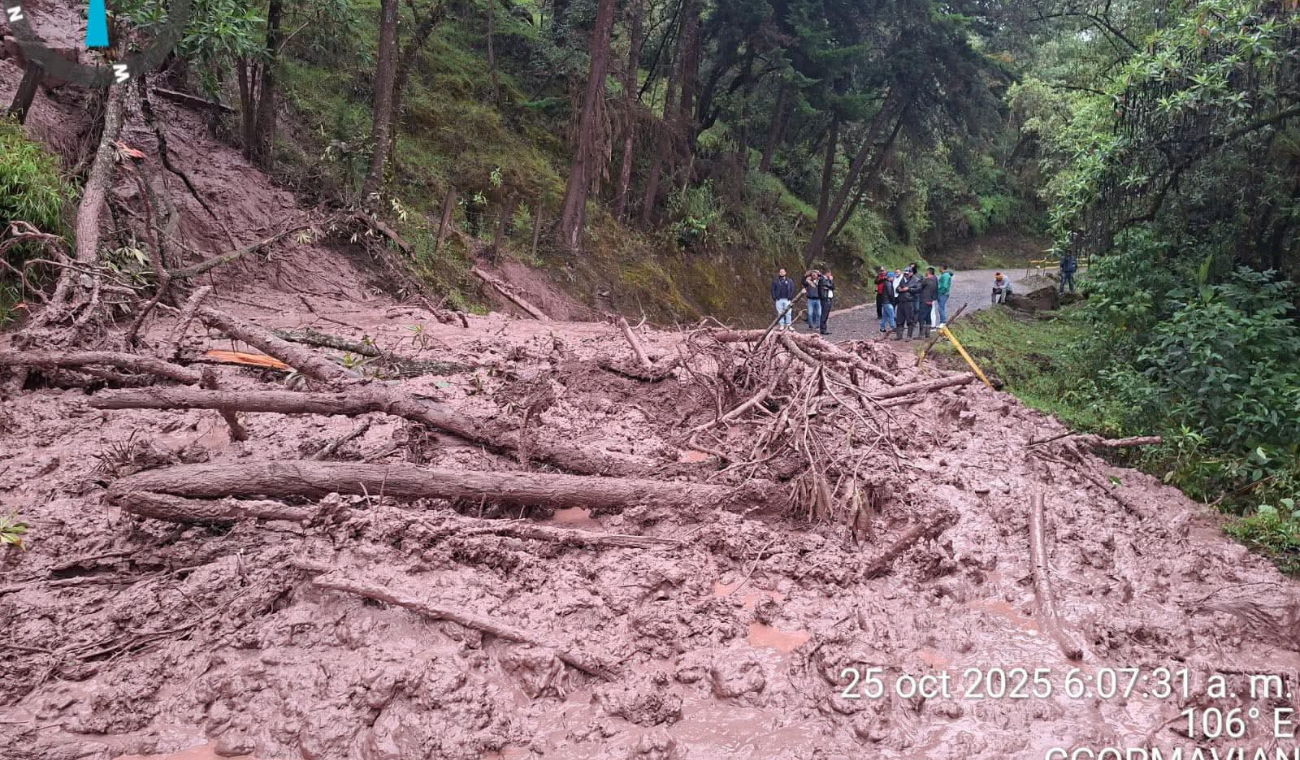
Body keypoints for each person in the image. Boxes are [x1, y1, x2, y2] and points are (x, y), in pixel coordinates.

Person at [897, 268, 923, 340]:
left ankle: (909, 336)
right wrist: (898, 289)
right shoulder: (902, 279)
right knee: (899, 319)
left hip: (909, 302)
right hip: (901, 300)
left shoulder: (916, 280)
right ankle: (899, 336)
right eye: (905, 274)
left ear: (911, 273)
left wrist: (908, 289)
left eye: (907, 274)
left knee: (910, 319)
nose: (906, 275)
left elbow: (919, 289)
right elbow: (897, 287)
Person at [919, 267, 940, 339]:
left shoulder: (927, 280)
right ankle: (927, 334)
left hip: (924, 300)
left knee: (922, 317)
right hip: (931, 300)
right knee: (928, 317)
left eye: (926, 272)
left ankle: (921, 334)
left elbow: (920, 286)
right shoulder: (935, 279)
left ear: (928, 273)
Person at [816, 267, 835, 335]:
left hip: (828, 298)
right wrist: (830, 281)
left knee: (826, 314)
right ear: (827, 273)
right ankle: (823, 329)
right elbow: (829, 285)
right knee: (824, 314)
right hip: (825, 298)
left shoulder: (826, 280)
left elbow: (832, 287)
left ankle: (824, 328)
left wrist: (830, 282)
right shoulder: (822, 279)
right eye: (830, 273)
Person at [879, 269, 898, 338]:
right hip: (887, 302)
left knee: (885, 315)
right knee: (891, 314)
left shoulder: (886, 283)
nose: (894, 278)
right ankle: (893, 327)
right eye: (893, 277)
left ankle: (882, 327)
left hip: (884, 301)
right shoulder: (889, 284)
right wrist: (892, 300)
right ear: (890, 277)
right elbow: (890, 293)